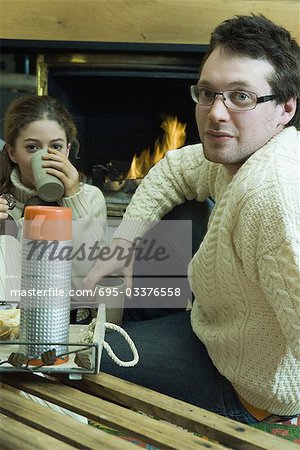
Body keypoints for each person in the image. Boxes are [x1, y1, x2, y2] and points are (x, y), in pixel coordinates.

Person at [84, 14, 300, 424]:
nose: (216, 113)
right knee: (180, 209)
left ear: (285, 108)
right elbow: (175, 169)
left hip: (245, 385)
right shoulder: (240, 154)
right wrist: (122, 244)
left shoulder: (274, 197)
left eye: (241, 97)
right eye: (207, 93)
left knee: (71, 360)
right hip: (212, 330)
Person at [0, 94, 108, 320]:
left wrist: (73, 200)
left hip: (66, 319)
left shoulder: (89, 198)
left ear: (67, 151)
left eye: (56, 147)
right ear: (12, 153)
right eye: (32, 147)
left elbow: (85, 284)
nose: (46, 157)